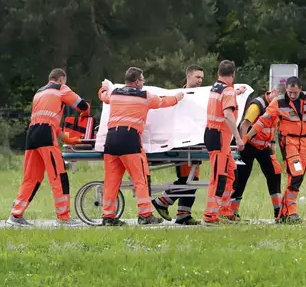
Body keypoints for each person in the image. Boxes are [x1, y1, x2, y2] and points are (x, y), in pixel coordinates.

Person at [152, 65, 247, 225]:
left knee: (227, 174)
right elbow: (226, 110)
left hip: (205, 138)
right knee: (198, 178)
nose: (200, 81)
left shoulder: (212, 90)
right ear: (188, 76)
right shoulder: (183, 95)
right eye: (197, 77)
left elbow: (217, 100)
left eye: (201, 78)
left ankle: (189, 213)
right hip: (198, 140)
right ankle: (204, 214)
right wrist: (237, 137)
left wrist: (237, 92)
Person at [98, 67, 185, 226]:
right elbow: (163, 102)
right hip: (129, 140)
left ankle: (108, 217)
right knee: (140, 179)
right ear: (137, 81)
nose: (143, 82)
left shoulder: (115, 93)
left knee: (111, 181)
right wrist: (177, 97)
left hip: (110, 140)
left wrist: (104, 86)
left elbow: (103, 96)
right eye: (143, 80)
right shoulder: (144, 96)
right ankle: (145, 215)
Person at [7, 68, 90, 227]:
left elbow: (46, 119)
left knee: (31, 178)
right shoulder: (61, 89)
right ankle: (63, 217)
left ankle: (15, 215)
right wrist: (85, 115)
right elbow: (82, 105)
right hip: (46, 135)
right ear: (61, 79)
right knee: (58, 175)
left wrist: (65, 138)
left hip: (32, 135)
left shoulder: (38, 93)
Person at [244, 76, 306, 223]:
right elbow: (263, 121)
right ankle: (291, 210)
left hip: (303, 141)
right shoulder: (279, 102)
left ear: (300, 89)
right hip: (288, 141)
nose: (292, 95)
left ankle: (284, 212)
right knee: (296, 172)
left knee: (298, 176)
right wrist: (246, 137)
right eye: (289, 92)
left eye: (295, 92)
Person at [230, 84, 286, 219]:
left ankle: (278, 212)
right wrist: (242, 143)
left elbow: (274, 125)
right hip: (247, 145)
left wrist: (272, 142)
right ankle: (232, 213)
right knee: (241, 178)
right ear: (272, 92)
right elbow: (245, 125)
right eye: (277, 98)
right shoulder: (257, 105)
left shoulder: (279, 105)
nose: (278, 102)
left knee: (275, 173)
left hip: (263, 146)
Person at [203, 60, 244, 224]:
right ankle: (210, 215)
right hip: (220, 137)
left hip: (215, 135)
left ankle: (224, 210)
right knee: (218, 176)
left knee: (230, 171)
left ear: (218, 73)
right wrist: (238, 138)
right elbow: (227, 114)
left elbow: (227, 95)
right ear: (233, 75)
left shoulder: (216, 88)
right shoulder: (227, 91)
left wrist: (237, 92)